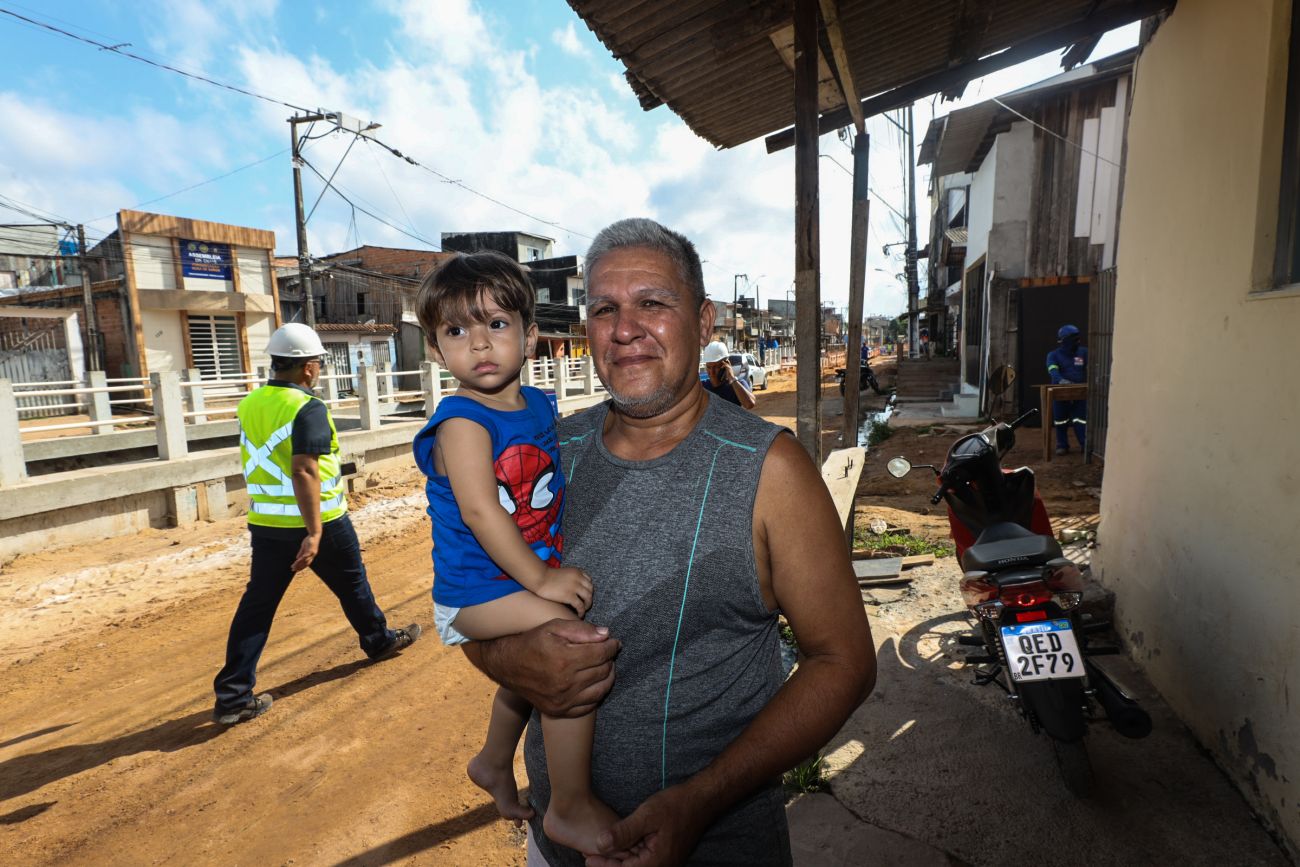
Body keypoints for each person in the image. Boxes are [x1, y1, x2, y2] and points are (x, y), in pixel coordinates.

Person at [462, 217, 877, 867]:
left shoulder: (771, 471)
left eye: (653, 303)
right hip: (557, 845)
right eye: (605, 309)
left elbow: (843, 661)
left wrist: (699, 801)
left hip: (718, 846)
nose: (625, 329)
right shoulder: (545, 455)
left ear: (704, 322)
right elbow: (471, 600)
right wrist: (507, 659)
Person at [410, 251, 616, 854]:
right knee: (570, 646)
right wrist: (542, 580)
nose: (479, 343)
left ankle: (494, 761)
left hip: (511, 580)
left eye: (497, 324)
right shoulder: (462, 422)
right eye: (456, 331)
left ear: (529, 338)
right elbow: (481, 511)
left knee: (533, 672)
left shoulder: (539, 406)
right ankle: (570, 806)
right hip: (475, 591)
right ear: (434, 350)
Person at [213, 323, 420, 726]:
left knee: (258, 606)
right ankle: (378, 641)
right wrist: (313, 533)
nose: (319, 370)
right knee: (352, 584)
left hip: (267, 523)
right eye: (318, 364)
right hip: (319, 520)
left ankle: (233, 696)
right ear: (308, 367)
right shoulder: (308, 407)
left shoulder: (251, 403)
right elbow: (304, 469)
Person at [1046, 323, 1088, 455]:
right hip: (1060, 392)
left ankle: (1084, 444)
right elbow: (1052, 370)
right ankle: (1062, 445)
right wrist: (1060, 380)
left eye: (1078, 338)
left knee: (1080, 419)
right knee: (1060, 420)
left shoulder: (1083, 352)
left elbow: (1092, 367)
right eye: (1074, 339)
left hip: (1079, 392)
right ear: (1065, 340)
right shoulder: (1053, 355)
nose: (1078, 341)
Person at [700, 340, 756, 409]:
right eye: (709, 367)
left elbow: (749, 404)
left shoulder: (737, 386)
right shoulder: (702, 387)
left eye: (716, 367)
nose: (712, 372)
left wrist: (732, 378)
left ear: (726, 365)